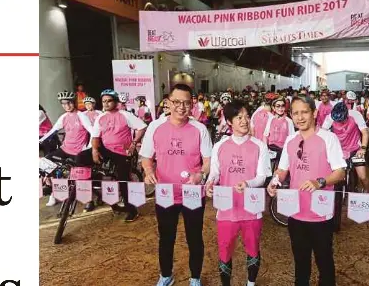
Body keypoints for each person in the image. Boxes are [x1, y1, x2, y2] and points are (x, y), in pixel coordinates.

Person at [267, 95, 346, 286]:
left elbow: (340, 172)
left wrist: (320, 181)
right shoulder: (291, 140)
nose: (300, 117)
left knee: (324, 260)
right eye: (295, 113)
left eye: (304, 112)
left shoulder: (329, 138)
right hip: (296, 212)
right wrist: (275, 180)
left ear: (314, 113)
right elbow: (283, 169)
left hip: (321, 213)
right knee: (301, 262)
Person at [140, 83, 213, 286]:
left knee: (194, 238)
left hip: (192, 193)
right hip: (165, 192)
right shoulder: (155, 127)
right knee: (166, 237)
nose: (181, 107)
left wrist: (200, 174)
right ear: (168, 102)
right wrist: (148, 171)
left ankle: (195, 278)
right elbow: (146, 157)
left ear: (193, 105)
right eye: (177, 102)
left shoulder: (199, 129)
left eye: (187, 103)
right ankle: (166, 275)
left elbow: (208, 162)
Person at [205, 100, 272, 286]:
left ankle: (250, 283)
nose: (244, 121)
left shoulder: (260, 146)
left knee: (253, 248)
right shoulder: (220, 146)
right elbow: (215, 173)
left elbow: (262, 176)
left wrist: (248, 183)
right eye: (239, 117)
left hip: (252, 208)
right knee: (225, 250)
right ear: (229, 122)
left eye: (246, 116)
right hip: (226, 208)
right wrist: (210, 183)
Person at [76, 89, 147, 219]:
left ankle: (132, 210)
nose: (106, 103)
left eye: (109, 101)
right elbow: (96, 136)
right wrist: (94, 150)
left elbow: (142, 127)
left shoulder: (125, 115)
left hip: (122, 152)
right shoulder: (100, 118)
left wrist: (134, 142)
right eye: (104, 101)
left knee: (123, 179)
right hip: (106, 149)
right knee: (80, 157)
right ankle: (94, 189)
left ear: (115, 102)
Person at [39, 91, 94, 206]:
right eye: (63, 104)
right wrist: (40, 140)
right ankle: (54, 189)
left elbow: (92, 132)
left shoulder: (81, 115)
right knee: (45, 161)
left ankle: (88, 200)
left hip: (78, 151)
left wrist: (88, 147)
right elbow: (53, 130)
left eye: (69, 103)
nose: (67, 106)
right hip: (65, 149)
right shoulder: (64, 117)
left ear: (74, 103)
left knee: (81, 174)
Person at [322, 102, 369, 192]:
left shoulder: (356, 115)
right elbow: (323, 134)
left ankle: (366, 191)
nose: (339, 122)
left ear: (347, 114)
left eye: (342, 120)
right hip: (338, 149)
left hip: (355, 149)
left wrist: (363, 148)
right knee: (331, 174)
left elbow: (365, 132)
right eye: (337, 121)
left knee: (363, 176)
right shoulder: (330, 118)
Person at [263, 96, 295, 161]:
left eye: (282, 106)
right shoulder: (270, 119)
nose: (280, 108)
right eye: (278, 106)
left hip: (282, 152)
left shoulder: (289, 121)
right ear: (273, 108)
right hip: (270, 150)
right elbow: (265, 135)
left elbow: (292, 139)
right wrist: (266, 149)